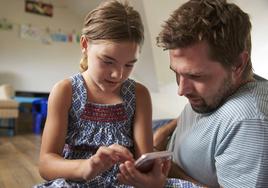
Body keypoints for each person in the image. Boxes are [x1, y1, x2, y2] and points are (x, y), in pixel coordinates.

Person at [118, 0, 268, 187]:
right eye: (176, 73)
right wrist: (162, 135)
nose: (181, 90)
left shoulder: (248, 122)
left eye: (195, 76)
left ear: (238, 64)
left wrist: (165, 178)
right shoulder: (219, 90)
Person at [34, 0, 154, 187]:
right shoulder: (65, 91)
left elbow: (144, 161)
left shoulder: (139, 95)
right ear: (85, 45)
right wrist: (86, 167)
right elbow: (46, 164)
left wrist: (149, 173)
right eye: (108, 61)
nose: (118, 75)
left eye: (129, 64)